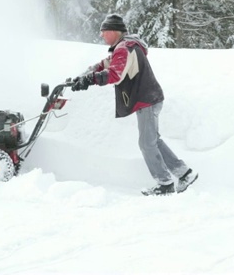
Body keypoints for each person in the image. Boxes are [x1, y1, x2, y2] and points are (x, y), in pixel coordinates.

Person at [70, 14, 198, 196]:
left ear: (114, 31)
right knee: (153, 140)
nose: (101, 35)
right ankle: (184, 173)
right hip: (150, 98)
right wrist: (84, 75)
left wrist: (90, 80)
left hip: (146, 99)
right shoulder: (124, 47)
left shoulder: (124, 48)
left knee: (146, 144)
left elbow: (115, 74)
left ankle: (165, 183)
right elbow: (104, 65)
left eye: (104, 32)